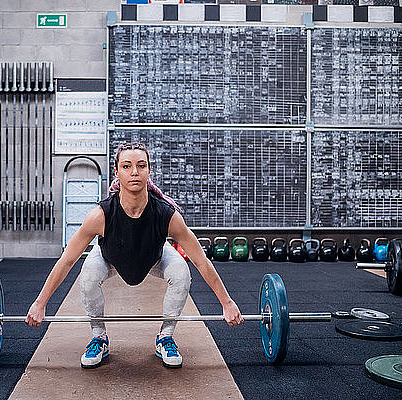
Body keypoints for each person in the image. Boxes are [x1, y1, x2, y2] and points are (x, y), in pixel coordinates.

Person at [26, 142, 244, 369]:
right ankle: (99, 337)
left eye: (141, 166)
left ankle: (165, 337)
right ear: (116, 172)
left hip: (153, 257)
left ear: (149, 171)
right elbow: (67, 260)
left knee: (181, 271)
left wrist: (227, 303)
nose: (134, 172)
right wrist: (40, 303)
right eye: (127, 166)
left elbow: (201, 260)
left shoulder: (166, 215)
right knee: (88, 274)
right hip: (110, 258)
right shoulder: (100, 216)